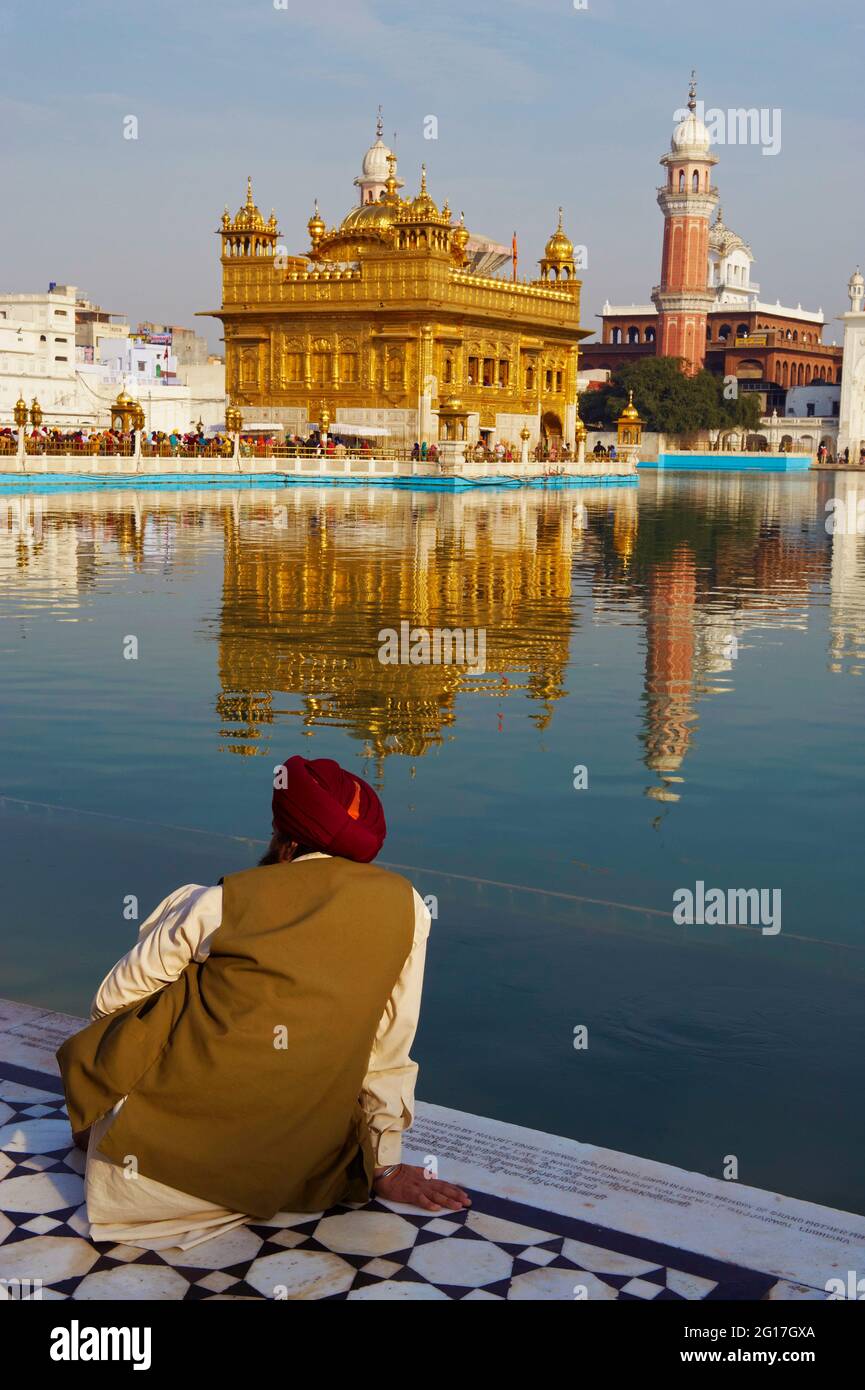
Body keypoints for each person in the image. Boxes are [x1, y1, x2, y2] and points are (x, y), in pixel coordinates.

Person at [58, 755, 469, 1250]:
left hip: (145, 1184)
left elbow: (111, 1003)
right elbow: (390, 1048)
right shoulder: (408, 907)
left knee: (181, 983)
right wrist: (384, 1165)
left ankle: (106, 1120)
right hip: (300, 1180)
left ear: (285, 841)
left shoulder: (220, 901)